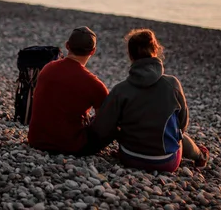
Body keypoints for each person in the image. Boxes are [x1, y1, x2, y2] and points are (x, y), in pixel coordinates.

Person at [90, 28, 209, 172]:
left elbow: (103, 127)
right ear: (155, 50)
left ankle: (135, 145)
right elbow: (182, 124)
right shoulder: (172, 84)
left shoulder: (121, 90)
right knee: (179, 136)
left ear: (130, 55)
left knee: (118, 123)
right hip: (166, 162)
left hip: (129, 157)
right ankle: (200, 156)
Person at [28, 26, 109, 155]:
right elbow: (104, 123)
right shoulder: (95, 85)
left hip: (36, 140)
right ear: (93, 51)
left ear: (67, 45)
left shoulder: (47, 68)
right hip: (70, 146)